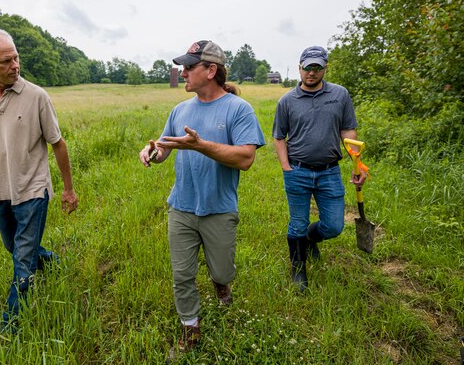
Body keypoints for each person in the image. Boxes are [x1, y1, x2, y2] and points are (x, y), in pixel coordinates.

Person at [139, 40, 265, 359]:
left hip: (219, 209)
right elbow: (166, 148)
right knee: (182, 275)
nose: (182, 73)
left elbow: (246, 158)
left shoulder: (238, 109)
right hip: (181, 207)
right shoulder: (180, 110)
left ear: (211, 71)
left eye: (189, 67)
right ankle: (189, 328)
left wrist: (201, 145)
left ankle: (221, 284)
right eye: (182, 67)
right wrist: (152, 152)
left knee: (222, 271)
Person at [0, 26, 78, 331]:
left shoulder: (36, 96)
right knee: (16, 247)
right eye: (5, 62)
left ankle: (10, 328)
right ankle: (50, 261)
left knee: (22, 263)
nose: (15, 66)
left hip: (33, 190)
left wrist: (68, 189)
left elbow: (57, 143)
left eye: (16, 58)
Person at [272, 45, 366, 292]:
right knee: (297, 224)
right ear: (299, 68)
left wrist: (357, 163)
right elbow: (279, 137)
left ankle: (312, 239)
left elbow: (348, 131)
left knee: (334, 226)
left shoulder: (340, 95)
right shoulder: (287, 101)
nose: (311, 73)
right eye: (307, 67)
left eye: (317, 67)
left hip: (329, 171)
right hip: (298, 171)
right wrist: (286, 167)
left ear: (325, 68)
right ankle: (298, 269)